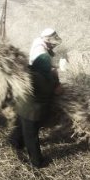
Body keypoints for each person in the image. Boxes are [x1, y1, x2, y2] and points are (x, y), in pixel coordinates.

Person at [9, 28, 63, 168]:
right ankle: (24, 150)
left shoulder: (32, 76)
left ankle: (26, 152)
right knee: (27, 132)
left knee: (27, 131)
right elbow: (56, 88)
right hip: (33, 111)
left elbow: (20, 73)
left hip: (26, 109)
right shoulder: (49, 79)